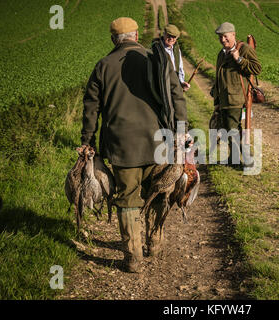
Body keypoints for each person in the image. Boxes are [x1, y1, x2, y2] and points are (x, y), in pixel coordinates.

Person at [80, 17, 187, 273]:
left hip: (122, 146)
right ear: (136, 36)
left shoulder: (103, 65)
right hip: (158, 141)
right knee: (159, 189)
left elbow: (91, 108)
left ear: (113, 40)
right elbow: (177, 96)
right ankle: (155, 241)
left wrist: (87, 140)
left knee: (127, 198)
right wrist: (181, 132)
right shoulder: (157, 59)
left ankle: (133, 257)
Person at [210, 22, 261, 167]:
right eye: (220, 37)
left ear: (233, 34)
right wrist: (217, 99)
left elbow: (257, 68)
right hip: (224, 99)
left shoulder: (244, 49)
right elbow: (219, 76)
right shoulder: (221, 53)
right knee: (228, 129)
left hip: (236, 98)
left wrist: (239, 59)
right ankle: (234, 160)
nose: (223, 40)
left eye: (225, 36)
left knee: (233, 130)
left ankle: (249, 162)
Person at [153, 24, 190, 92]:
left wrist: (181, 82)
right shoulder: (156, 49)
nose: (171, 39)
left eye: (174, 37)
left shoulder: (176, 50)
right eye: (169, 36)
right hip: (160, 86)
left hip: (174, 85)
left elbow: (179, 68)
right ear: (164, 34)